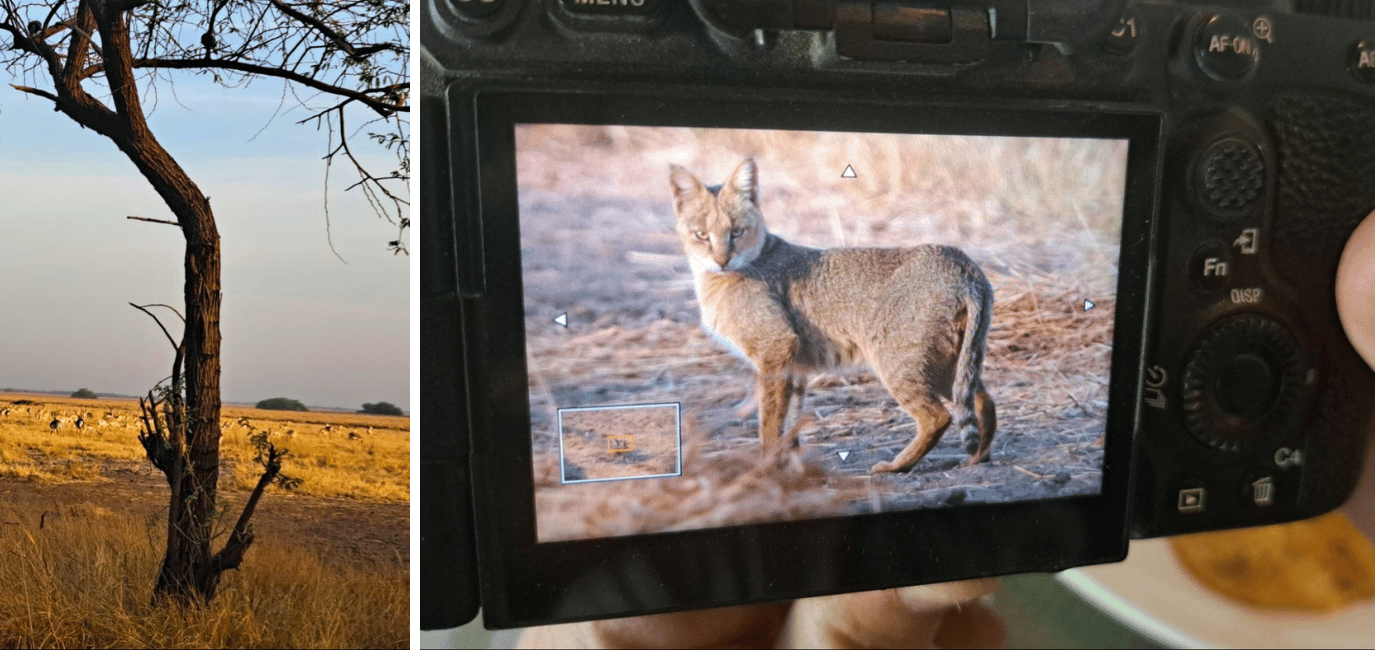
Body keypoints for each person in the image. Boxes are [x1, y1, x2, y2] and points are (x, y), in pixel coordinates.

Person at [522, 211, 1375, 649]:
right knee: (954, 387)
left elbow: (778, 354)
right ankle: (969, 420)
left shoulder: (760, 281)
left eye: (733, 228)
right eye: (703, 232)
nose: (720, 245)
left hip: (900, 295)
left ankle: (934, 427)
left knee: (915, 387)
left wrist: (767, 454)